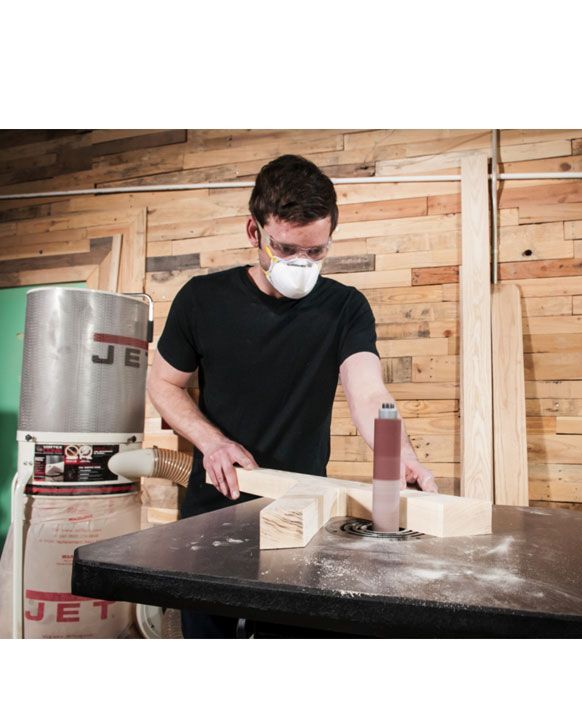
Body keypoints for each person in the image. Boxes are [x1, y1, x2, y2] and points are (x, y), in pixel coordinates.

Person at [147, 154, 438, 638]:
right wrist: (211, 442)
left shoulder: (345, 307)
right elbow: (163, 383)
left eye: (316, 252)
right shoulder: (202, 299)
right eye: (285, 249)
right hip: (214, 512)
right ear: (254, 231)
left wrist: (399, 455)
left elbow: (368, 391)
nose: (301, 264)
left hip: (302, 513)